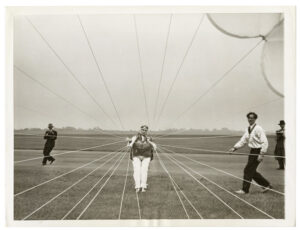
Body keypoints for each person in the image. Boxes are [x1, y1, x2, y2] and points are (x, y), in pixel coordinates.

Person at [229, 112, 272, 194]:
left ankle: (245, 190)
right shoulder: (248, 129)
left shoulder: (258, 128)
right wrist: (234, 148)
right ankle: (266, 185)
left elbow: (265, 142)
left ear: (255, 119)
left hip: (258, 151)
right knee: (252, 171)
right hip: (252, 151)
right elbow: (243, 140)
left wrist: (261, 154)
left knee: (248, 170)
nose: (250, 119)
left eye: (252, 118)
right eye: (248, 118)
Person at [128, 125, 157, 193]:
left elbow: (154, 146)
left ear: (147, 131)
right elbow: (130, 144)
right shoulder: (135, 137)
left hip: (146, 156)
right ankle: (137, 187)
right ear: (140, 130)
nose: (144, 131)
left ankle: (143, 186)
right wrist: (130, 143)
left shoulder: (149, 138)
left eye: (145, 130)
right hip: (136, 156)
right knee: (137, 170)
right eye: (142, 130)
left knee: (144, 171)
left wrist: (151, 144)